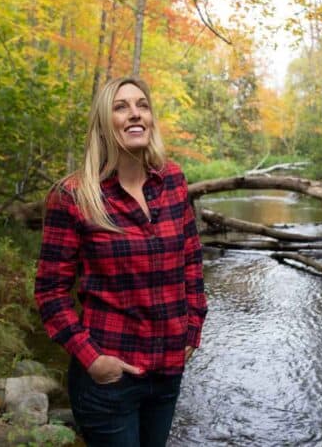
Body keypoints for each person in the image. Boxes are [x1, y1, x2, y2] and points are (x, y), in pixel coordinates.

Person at [35, 76, 208, 447]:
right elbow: (50, 293)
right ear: (103, 123)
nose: (135, 114)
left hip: (167, 372)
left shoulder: (174, 180)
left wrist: (193, 328)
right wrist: (93, 359)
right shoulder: (74, 195)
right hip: (109, 381)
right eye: (121, 106)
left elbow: (192, 261)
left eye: (142, 105)